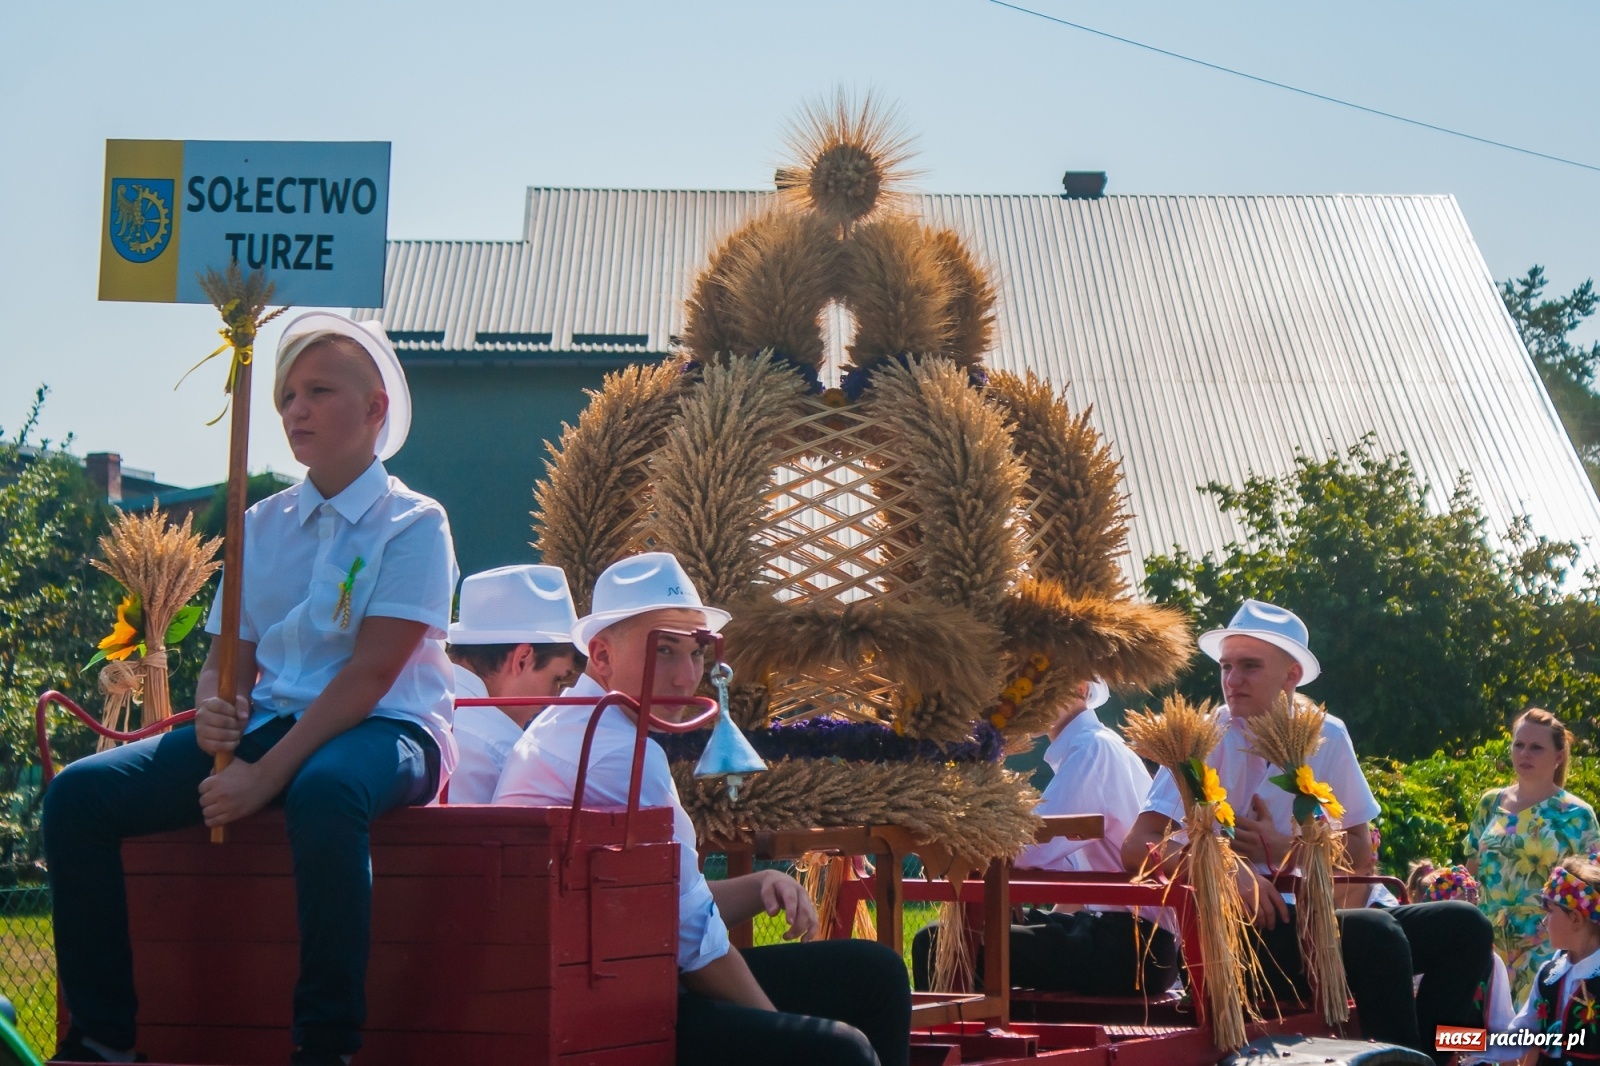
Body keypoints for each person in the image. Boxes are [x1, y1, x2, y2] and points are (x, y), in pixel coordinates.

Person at [43, 314, 458, 1065]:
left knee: (326, 791)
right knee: (77, 797)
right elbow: (225, 660)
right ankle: (102, 1039)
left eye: (318, 391)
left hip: (389, 727)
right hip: (274, 720)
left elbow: (370, 675)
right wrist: (213, 713)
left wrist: (263, 774)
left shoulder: (414, 524)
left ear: (374, 411)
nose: (295, 409)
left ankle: (325, 1044)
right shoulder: (259, 524)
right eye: (285, 397)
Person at [493, 552, 911, 1066]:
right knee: (840, 1050)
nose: (685, 675)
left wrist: (757, 887)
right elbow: (690, 941)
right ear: (600, 656)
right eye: (664, 651)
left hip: (621, 975)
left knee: (874, 971)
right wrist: (777, 1028)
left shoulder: (588, 725)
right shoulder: (614, 747)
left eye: (694, 653)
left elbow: (663, 900)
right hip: (617, 999)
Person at [1121, 599, 1495, 1065]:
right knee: (1378, 935)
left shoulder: (1327, 734)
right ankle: (1408, 1059)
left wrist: (1283, 849)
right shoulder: (1198, 737)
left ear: (1291, 675)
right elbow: (1138, 845)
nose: (1232, 680)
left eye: (1249, 666)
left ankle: (1444, 1056)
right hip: (1247, 938)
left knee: (1467, 925)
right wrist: (1225, 869)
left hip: (1317, 918)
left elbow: (1361, 851)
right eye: (1226, 666)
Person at [911, 678, 1178, 996]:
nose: (1024, 696)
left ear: (1079, 687)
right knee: (956, 938)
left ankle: (965, 1038)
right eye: (1017, 685)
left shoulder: (1093, 749)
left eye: (1036, 683)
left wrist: (957, 834)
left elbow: (1025, 852)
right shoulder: (1094, 746)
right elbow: (1070, 876)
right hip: (1127, 940)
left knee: (937, 942)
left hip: (1130, 948)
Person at [1467, 708, 1600, 1002]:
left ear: (1559, 755)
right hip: (1488, 945)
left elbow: (1592, 894)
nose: (1524, 753)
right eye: (1519, 745)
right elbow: (1472, 872)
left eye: (1536, 747)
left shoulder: (1577, 814)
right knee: (1473, 1038)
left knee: (1530, 1039)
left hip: (1547, 947)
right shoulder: (1490, 803)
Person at [445, 565, 580, 804]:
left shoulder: (410, 702)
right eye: (557, 679)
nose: (555, 697)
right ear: (523, 659)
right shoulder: (508, 752)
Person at [1470, 857, 1600, 1065]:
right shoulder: (1550, 975)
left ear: (1576, 918)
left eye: (1550, 911)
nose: (1544, 921)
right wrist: (1449, 1040)